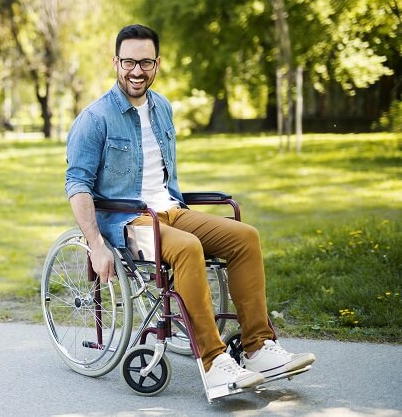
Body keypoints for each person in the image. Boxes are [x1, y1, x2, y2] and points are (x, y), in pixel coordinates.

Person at [65, 24, 315, 392]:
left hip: (170, 210)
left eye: (146, 62)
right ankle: (214, 363)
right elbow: (77, 184)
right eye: (129, 62)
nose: (137, 71)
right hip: (128, 222)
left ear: (158, 63)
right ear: (115, 62)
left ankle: (258, 347)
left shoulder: (162, 107)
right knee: (187, 247)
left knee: (245, 237)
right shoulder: (95, 118)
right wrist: (96, 244)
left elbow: (162, 177)